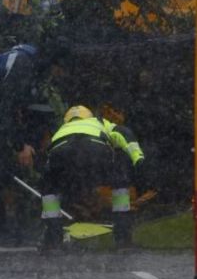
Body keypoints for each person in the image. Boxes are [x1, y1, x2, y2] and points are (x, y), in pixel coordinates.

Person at [0, 41, 64, 247]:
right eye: (59, 69)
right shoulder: (23, 65)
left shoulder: (31, 64)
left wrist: (26, 142)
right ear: (53, 63)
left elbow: (21, 108)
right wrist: (20, 145)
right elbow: (6, 107)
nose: (58, 74)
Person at [39, 105, 145, 250]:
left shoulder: (62, 129)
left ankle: (53, 239)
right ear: (89, 116)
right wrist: (138, 158)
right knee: (120, 184)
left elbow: (49, 154)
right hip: (95, 150)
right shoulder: (99, 122)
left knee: (49, 189)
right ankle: (123, 238)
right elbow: (123, 133)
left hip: (62, 153)